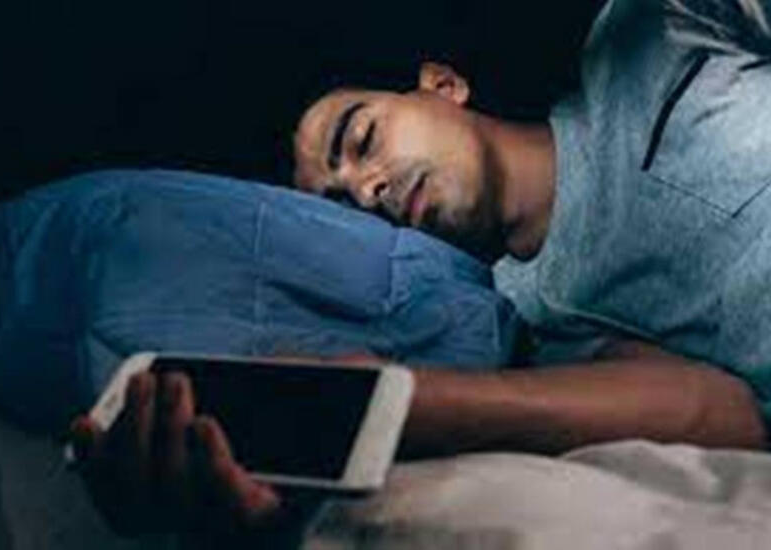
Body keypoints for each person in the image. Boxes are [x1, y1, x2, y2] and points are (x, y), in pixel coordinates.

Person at [70, 0, 771, 544]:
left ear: (442, 85)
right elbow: (720, 412)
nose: (367, 188)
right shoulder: (530, 317)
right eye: (343, 204)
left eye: (359, 138)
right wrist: (379, 398)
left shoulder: (654, 37)